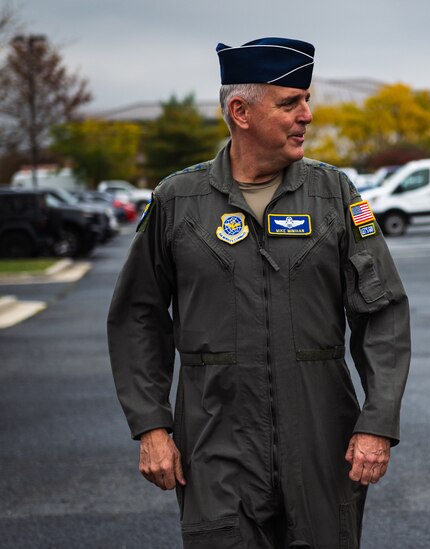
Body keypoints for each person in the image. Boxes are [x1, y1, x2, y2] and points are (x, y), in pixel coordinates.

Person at [107, 37, 411, 548]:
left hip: (320, 437)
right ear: (240, 111)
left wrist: (377, 423)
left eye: (306, 100)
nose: (307, 116)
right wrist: (151, 427)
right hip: (214, 438)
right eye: (290, 102)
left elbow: (381, 313)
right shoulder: (178, 199)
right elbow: (138, 315)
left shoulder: (333, 193)